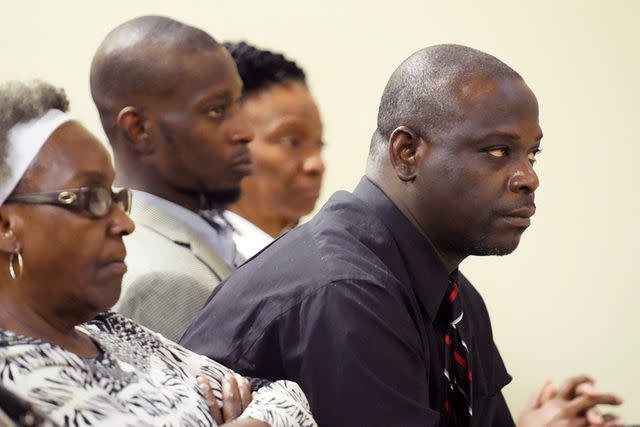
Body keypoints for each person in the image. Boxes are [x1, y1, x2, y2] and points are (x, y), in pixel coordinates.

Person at [181, 45, 623, 426]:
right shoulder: (345, 291)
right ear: (406, 152)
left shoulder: (453, 295)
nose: (528, 177)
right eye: (497, 151)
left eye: (532, 154)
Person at [0, 80, 315, 427]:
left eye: (116, 198)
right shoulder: (12, 388)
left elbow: (287, 397)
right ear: (6, 226)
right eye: (92, 199)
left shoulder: (108, 330)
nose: (124, 223)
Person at [89, 16, 254, 341]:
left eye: (237, 104)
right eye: (216, 110)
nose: (245, 131)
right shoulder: (154, 279)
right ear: (138, 130)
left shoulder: (213, 228)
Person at [220, 41, 325, 259]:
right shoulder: (204, 268)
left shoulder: (313, 258)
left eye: (319, 144)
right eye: (291, 141)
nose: (316, 164)